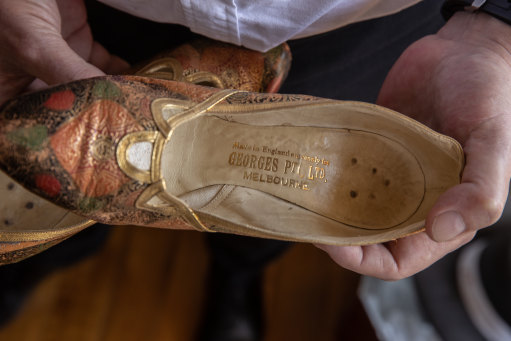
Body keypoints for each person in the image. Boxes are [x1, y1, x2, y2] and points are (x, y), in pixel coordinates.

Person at [0, 0, 508, 282]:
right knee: (81, 209)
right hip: (105, 7)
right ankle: (50, 266)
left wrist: (496, 30)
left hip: (366, 28)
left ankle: (236, 280)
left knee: (285, 215)